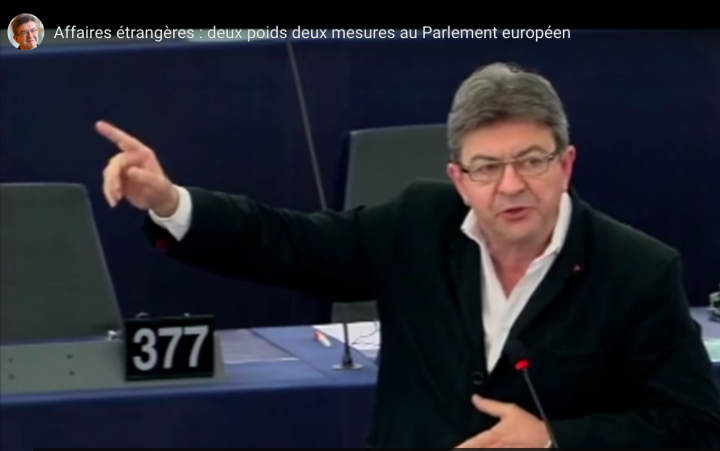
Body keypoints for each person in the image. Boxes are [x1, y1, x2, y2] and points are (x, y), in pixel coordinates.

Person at [98, 62, 720, 448]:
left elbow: (692, 425)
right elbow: (289, 242)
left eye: (532, 160)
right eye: (487, 167)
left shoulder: (637, 269)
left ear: (566, 163)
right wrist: (170, 201)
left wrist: (554, 439)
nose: (511, 185)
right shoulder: (419, 224)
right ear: (459, 179)